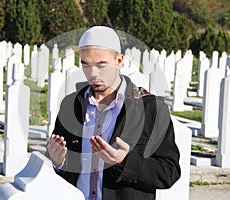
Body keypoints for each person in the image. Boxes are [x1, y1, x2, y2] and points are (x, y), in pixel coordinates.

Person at [46, 26, 180, 200]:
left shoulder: (152, 109)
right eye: (85, 64)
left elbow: (169, 172)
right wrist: (57, 161)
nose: (93, 74)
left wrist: (125, 161)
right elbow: (63, 168)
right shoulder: (70, 105)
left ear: (119, 61)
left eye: (101, 65)